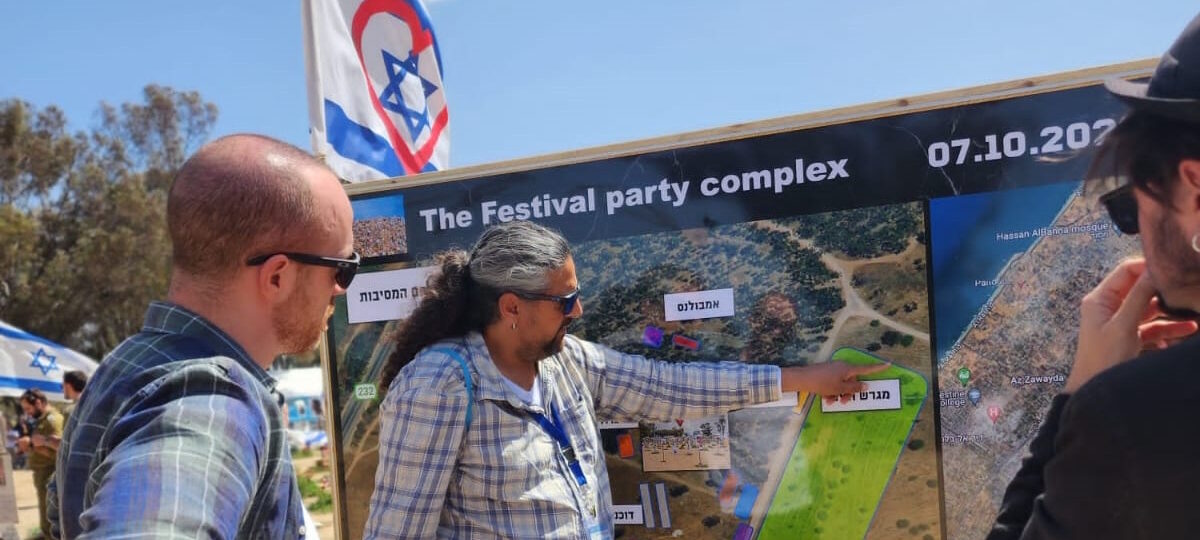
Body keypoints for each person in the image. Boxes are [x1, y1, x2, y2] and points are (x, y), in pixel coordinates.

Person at [364, 220, 887, 538]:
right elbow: (397, 530)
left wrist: (799, 378)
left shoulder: (566, 363)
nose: (579, 309)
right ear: (511, 307)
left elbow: (669, 389)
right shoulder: (442, 384)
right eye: (566, 300)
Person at [48, 134, 357, 538]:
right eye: (342, 269)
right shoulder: (213, 399)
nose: (340, 290)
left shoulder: (123, 365)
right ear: (278, 276)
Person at [988, 13, 1200, 539]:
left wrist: (1080, 393)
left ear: (1194, 189)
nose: (1136, 234)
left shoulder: (1135, 417)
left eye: (1133, 205)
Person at [16, 389, 62, 538]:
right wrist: (29, 445)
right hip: (42, 475)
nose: (27, 413)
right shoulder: (42, 420)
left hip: (50, 474)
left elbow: (60, 452)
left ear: (38, 402)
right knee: (45, 519)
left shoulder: (52, 420)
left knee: (50, 521)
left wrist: (33, 444)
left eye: (28, 408)